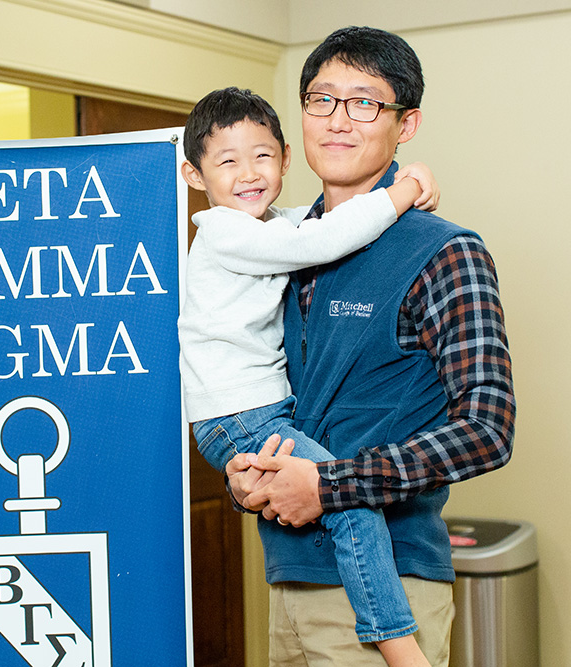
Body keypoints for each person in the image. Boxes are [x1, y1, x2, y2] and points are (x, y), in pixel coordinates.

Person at [226, 26, 515, 666]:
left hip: (391, 588)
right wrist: (248, 476)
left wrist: (328, 486)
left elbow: (488, 428)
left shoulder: (444, 252)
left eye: (364, 103)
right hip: (286, 579)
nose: (337, 121)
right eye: (321, 100)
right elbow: (262, 394)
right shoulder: (274, 246)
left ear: (405, 124)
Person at [179, 87, 437, 667]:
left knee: (336, 494)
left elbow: (319, 221)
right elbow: (322, 236)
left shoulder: (270, 225)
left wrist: (411, 173)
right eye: (227, 161)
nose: (249, 174)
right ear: (194, 175)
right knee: (351, 501)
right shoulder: (224, 229)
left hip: (250, 412)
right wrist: (404, 192)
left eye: (263, 156)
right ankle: (397, 643)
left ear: (286, 158)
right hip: (238, 414)